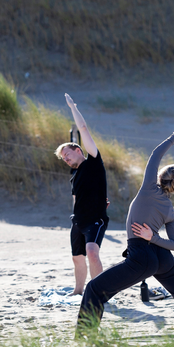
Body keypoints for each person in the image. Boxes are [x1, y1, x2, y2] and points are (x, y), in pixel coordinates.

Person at [78, 121, 174, 338]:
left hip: (142, 256)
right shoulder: (169, 207)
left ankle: (84, 340)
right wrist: (155, 237)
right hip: (162, 257)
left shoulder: (148, 188)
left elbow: (155, 154)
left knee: (94, 289)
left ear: (159, 176)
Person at [54, 94, 109, 295]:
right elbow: (78, 199)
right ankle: (79, 290)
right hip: (78, 221)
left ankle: (100, 291)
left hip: (95, 220)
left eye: (67, 154)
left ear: (78, 150)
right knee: (77, 257)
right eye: (63, 159)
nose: (66, 159)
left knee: (92, 253)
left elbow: (83, 129)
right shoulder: (75, 176)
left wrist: (73, 107)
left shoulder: (93, 162)